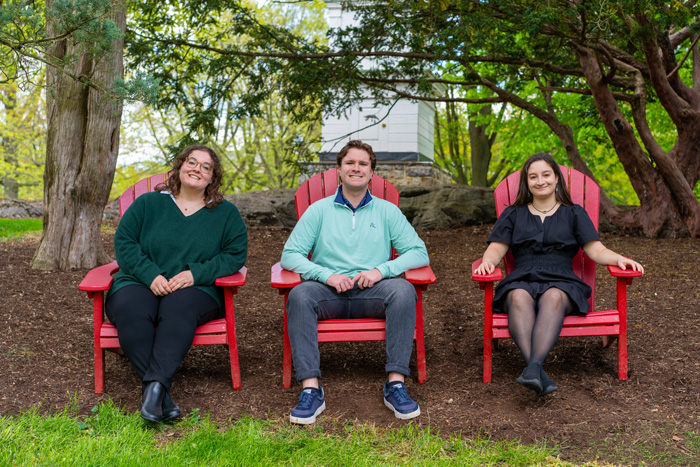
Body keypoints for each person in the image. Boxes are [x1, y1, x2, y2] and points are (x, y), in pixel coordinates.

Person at [280, 140, 430, 424]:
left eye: (363, 164)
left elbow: (419, 253)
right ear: (339, 170)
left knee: (403, 289)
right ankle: (311, 390)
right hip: (327, 293)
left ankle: (395, 384)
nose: (356, 168)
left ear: (372, 172)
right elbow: (289, 256)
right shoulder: (318, 210)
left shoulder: (387, 211)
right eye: (350, 163)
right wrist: (326, 275)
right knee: (299, 295)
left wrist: (381, 270)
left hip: (372, 291)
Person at [474, 153, 643, 396]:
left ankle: (532, 368)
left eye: (545, 175)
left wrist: (619, 259)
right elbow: (495, 249)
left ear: (556, 178)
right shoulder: (513, 214)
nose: (540, 181)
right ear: (526, 182)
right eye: (533, 177)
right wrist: (487, 262)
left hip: (562, 281)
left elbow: (596, 250)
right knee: (519, 297)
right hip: (522, 277)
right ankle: (536, 371)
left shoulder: (574, 213)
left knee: (552, 296)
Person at [105, 144, 247, 423]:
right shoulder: (149, 203)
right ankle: (159, 393)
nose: (197, 169)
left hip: (197, 289)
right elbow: (124, 242)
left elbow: (234, 255)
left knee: (177, 307)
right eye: (192, 162)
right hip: (138, 281)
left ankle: (154, 389)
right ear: (180, 167)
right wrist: (150, 275)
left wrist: (195, 274)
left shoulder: (225, 214)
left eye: (205, 167)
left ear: (212, 177)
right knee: (131, 309)